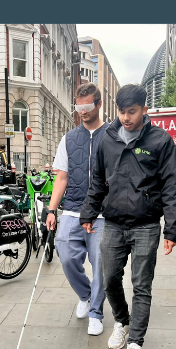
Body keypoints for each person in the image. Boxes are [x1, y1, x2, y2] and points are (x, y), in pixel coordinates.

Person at [80, 84, 176, 349]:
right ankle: (122, 322)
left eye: (132, 112)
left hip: (146, 225)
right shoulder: (107, 139)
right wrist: (88, 212)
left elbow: (172, 187)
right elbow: (97, 181)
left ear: (144, 110)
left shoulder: (160, 141)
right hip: (112, 222)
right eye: (122, 111)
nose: (126, 117)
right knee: (109, 278)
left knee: (142, 286)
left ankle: (135, 343)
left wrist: (172, 230)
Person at [46, 83, 110, 336]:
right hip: (72, 209)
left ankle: (96, 311)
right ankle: (85, 294)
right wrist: (51, 210)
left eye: (87, 106)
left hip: (103, 213)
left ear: (98, 104)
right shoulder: (69, 138)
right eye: (78, 106)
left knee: (101, 264)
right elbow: (62, 177)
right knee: (67, 254)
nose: (82, 111)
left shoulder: (113, 135)